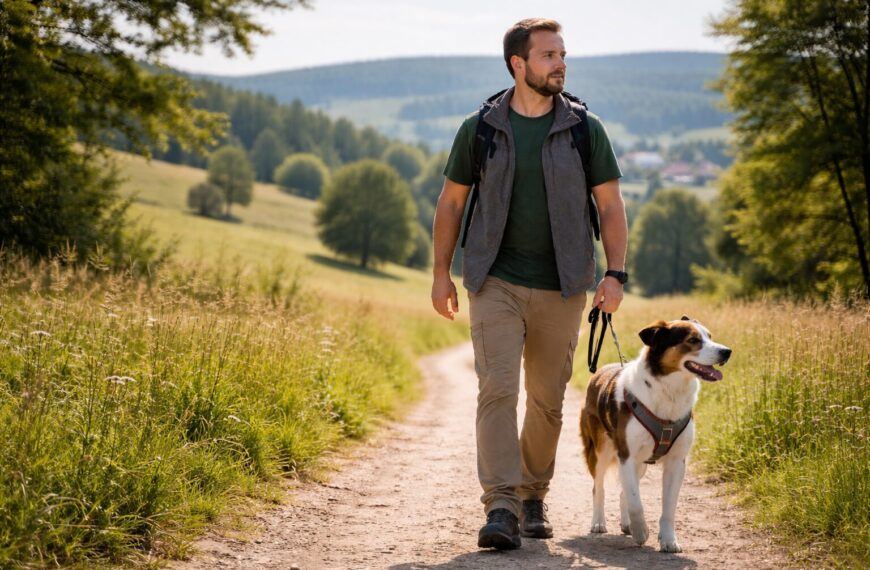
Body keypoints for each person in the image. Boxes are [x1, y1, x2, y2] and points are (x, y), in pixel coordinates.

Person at [430, 18, 628, 550]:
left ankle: (533, 493)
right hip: (494, 279)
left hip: (563, 286)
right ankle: (500, 504)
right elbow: (451, 203)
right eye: (548, 56)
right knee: (497, 386)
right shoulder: (482, 129)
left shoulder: (585, 130)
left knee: (545, 400)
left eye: (562, 54)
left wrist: (614, 272)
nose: (560, 63)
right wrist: (440, 273)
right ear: (518, 65)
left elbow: (610, 205)